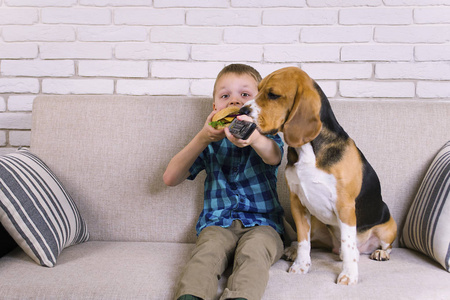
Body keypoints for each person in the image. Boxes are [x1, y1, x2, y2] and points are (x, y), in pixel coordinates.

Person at [163, 64, 285, 300]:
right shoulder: (208, 143)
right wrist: (202, 137)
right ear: (215, 107)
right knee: (206, 254)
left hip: (264, 225)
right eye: (225, 95)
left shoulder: (267, 135)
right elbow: (170, 178)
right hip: (218, 224)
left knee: (255, 252)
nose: (234, 101)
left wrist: (253, 137)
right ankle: (191, 296)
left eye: (245, 95)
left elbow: (274, 156)